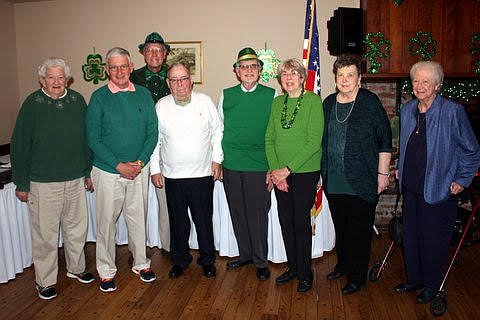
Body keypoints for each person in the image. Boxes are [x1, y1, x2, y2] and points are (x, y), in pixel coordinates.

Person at [396, 61, 480, 303]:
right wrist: (401, 169)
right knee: (411, 236)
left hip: (439, 186)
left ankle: (432, 285)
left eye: (426, 81)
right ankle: (414, 279)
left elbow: (472, 150)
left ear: (437, 85)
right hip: (411, 186)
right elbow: (408, 146)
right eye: (416, 81)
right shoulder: (408, 109)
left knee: (433, 239)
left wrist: (462, 179)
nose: (419, 86)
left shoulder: (452, 111)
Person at [11, 57, 94, 300]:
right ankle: (44, 281)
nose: (56, 82)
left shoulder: (77, 100)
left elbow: (86, 140)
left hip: (75, 179)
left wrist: (87, 171)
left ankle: (76, 269)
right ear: (42, 80)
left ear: (67, 78)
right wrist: (22, 182)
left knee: (77, 229)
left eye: (61, 77)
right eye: (51, 77)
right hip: (42, 183)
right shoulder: (32, 103)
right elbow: (19, 144)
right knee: (45, 235)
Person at [86, 47, 158, 292]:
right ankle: (106, 271)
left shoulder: (144, 95)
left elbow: (152, 132)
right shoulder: (98, 97)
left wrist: (138, 163)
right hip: (108, 171)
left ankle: (141, 263)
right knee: (106, 223)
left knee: (139, 219)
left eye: (123, 66)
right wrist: (119, 165)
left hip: (139, 169)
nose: (118, 71)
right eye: (113, 67)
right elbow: (93, 138)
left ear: (131, 67)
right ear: (107, 70)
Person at [321, 53, 392, 295]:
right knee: (341, 227)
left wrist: (383, 174)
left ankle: (357, 276)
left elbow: (384, 140)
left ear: (359, 78)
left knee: (359, 231)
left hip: (361, 179)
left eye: (350, 75)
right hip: (334, 179)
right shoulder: (328, 103)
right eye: (340, 75)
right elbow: (323, 142)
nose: (345, 79)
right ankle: (342, 265)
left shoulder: (370, 102)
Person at [150, 63, 223, 279]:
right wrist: (155, 169)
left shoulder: (204, 101)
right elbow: (156, 141)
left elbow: (217, 132)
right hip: (173, 176)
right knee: (178, 223)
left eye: (183, 79)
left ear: (191, 82)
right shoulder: (161, 106)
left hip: (202, 175)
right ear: (168, 83)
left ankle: (208, 260)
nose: (180, 84)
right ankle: (180, 260)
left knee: (203, 221)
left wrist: (217, 160)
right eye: (174, 80)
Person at [265, 58, 323, 293]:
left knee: (300, 222)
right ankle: (293, 268)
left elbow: (313, 142)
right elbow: (269, 139)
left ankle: (305, 272)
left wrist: (286, 170)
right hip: (281, 174)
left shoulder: (313, 101)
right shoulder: (277, 103)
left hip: (305, 172)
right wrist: (277, 173)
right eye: (284, 74)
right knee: (285, 222)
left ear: (302, 77)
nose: (288, 78)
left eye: (293, 73)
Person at [218, 47, 275, 280]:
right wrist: (219, 162)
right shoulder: (226, 95)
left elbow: (275, 135)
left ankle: (261, 261)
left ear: (260, 70)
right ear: (236, 71)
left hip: (259, 164)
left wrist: (272, 166)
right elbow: (218, 129)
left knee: (258, 214)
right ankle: (245, 254)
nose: (249, 71)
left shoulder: (271, 96)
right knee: (238, 212)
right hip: (231, 163)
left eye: (253, 66)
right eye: (244, 67)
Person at [130, 32, 171, 252]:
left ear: (164, 54)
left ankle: (169, 246)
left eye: (158, 50)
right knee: (136, 204)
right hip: (139, 149)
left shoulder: (174, 76)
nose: (154, 54)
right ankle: (137, 251)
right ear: (143, 53)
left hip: (166, 149)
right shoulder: (131, 78)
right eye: (149, 50)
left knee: (167, 202)